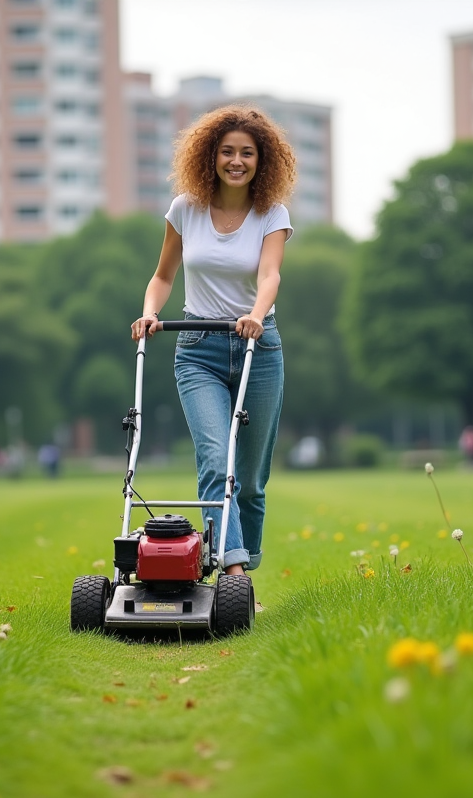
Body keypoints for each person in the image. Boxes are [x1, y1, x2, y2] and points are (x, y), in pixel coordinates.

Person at [131, 105, 297, 582]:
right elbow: (163, 277)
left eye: (247, 153)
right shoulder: (185, 209)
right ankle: (234, 572)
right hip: (198, 349)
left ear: (262, 160)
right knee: (214, 460)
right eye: (227, 151)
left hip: (257, 349)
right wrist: (150, 312)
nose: (237, 161)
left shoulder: (272, 213)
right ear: (211, 155)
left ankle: (242, 561)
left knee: (249, 483)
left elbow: (270, 275)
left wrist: (254, 316)